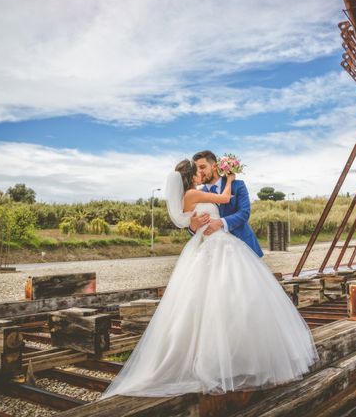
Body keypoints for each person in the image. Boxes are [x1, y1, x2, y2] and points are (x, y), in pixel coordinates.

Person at [98, 159, 319, 399]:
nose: (201, 172)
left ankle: (241, 359)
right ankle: (224, 364)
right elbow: (219, 204)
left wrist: (207, 218)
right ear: (192, 175)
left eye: (204, 168)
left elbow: (236, 213)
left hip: (221, 246)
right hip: (215, 247)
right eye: (197, 170)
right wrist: (226, 183)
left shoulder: (198, 193)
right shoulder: (195, 193)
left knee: (233, 302)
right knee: (218, 302)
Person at [188, 150, 263, 258]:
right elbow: (192, 226)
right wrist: (192, 227)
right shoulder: (197, 194)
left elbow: (244, 213)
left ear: (214, 166)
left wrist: (220, 222)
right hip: (214, 254)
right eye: (196, 169)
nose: (199, 171)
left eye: (202, 167)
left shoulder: (237, 185)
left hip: (244, 248)